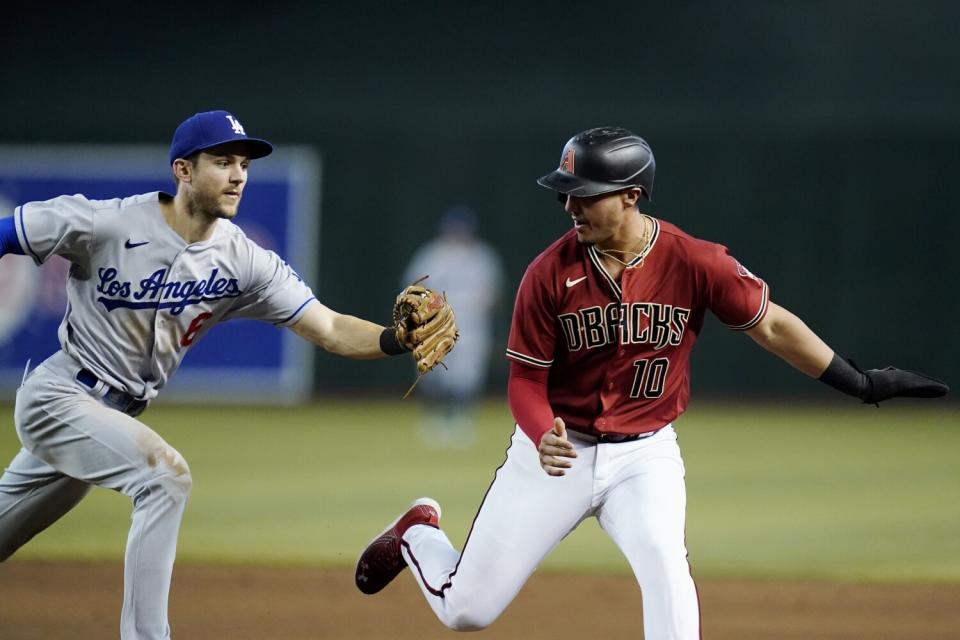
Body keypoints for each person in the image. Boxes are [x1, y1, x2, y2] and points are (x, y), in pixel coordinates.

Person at [353, 127, 949, 638]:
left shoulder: (693, 261)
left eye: (584, 196)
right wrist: (540, 435)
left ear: (631, 196)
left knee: (667, 571)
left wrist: (860, 383)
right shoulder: (546, 275)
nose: (570, 208)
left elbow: (771, 325)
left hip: (645, 457)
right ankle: (417, 533)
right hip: (557, 454)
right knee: (466, 612)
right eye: (566, 195)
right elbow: (524, 382)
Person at [0, 110, 447, 640]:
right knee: (166, 476)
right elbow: (10, 232)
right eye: (222, 162)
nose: (238, 175)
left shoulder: (243, 260)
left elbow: (327, 325)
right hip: (60, 395)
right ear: (183, 170)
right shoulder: (107, 224)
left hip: (110, 417)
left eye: (243, 164)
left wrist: (395, 340)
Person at [402, 206, 503, 447]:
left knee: (466, 377)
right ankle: (432, 421)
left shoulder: (482, 257)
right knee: (432, 373)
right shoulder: (432, 255)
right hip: (435, 325)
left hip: (471, 327)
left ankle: (462, 421)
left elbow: (492, 295)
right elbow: (412, 290)